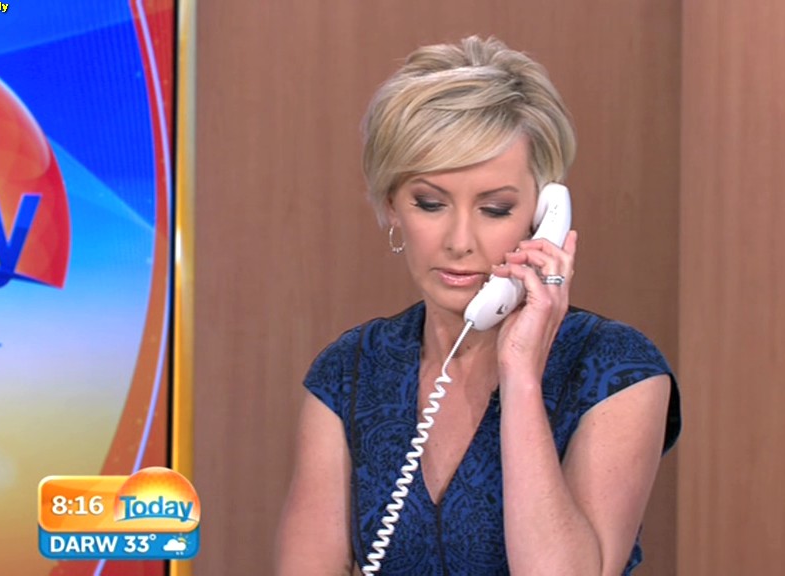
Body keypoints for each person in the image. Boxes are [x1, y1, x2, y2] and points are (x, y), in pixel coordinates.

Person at [276, 35, 681, 576]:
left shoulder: (617, 370)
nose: (460, 241)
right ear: (392, 205)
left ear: (542, 215)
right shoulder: (348, 372)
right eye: (430, 203)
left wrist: (520, 377)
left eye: (495, 209)